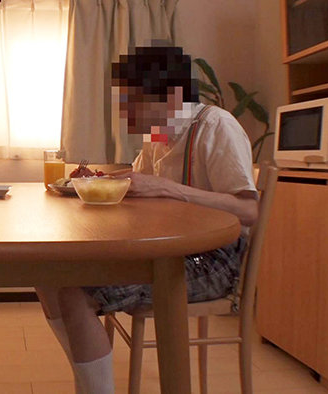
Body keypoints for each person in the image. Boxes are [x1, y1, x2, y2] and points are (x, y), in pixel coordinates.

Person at [35, 44, 258, 393]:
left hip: (214, 260)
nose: (126, 114)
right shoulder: (160, 134)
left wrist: (171, 189)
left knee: (74, 290)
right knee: (48, 275)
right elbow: (138, 179)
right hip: (164, 250)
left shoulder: (216, 126)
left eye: (133, 102)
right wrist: (95, 179)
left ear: (172, 95)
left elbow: (249, 210)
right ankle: (88, 377)